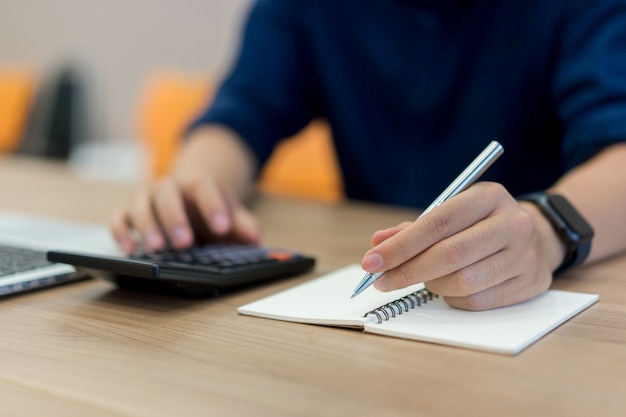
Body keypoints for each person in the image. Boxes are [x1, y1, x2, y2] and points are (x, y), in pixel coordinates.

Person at [111, 0, 626, 311]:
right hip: (374, 296)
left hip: (550, 300)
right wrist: (197, 183)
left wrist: (546, 230)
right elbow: (244, 109)